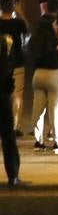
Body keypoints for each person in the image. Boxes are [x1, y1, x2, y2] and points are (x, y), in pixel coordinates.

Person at [29, 8, 58, 152]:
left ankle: (38, 141)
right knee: (55, 110)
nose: (57, 26)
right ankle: (57, 142)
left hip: (38, 75)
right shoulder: (55, 40)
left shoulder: (34, 41)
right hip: (54, 75)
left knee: (38, 109)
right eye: (55, 24)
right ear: (51, 26)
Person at [0, 0, 27, 137]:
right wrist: (20, 12)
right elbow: (28, 30)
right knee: (17, 95)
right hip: (17, 63)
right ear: (12, 7)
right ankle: (14, 126)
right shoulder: (18, 23)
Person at [0, 15, 20, 187]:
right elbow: (8, 66)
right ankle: (13, 175)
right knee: (8, 136)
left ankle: (13, 175)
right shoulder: (5, 41)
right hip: (3, 93)